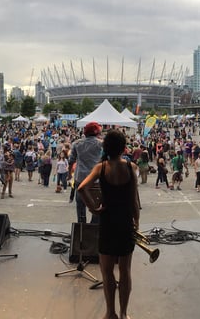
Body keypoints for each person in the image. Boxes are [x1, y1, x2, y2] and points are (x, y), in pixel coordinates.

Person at [77, 130, 139, 319]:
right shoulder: (131, 167)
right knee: (125, 271)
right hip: (125, 222)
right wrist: (137, 222)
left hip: (108, 223)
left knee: (107, 271)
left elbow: (81, 188)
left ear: (106, 147)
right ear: (123, 148)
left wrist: (94, 209)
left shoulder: (101, 168)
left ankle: (110, 313)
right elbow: (134, 200)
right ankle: (124, 313)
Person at [69, 122, 103, 223]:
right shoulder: (101, 144)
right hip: (96, 179)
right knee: (96, 204)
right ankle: (94, 227)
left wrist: (68, 174)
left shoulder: (77, 144)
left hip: (80, 178)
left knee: (80, 204)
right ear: (97, 133)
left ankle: (81, 227)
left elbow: (71, 160)